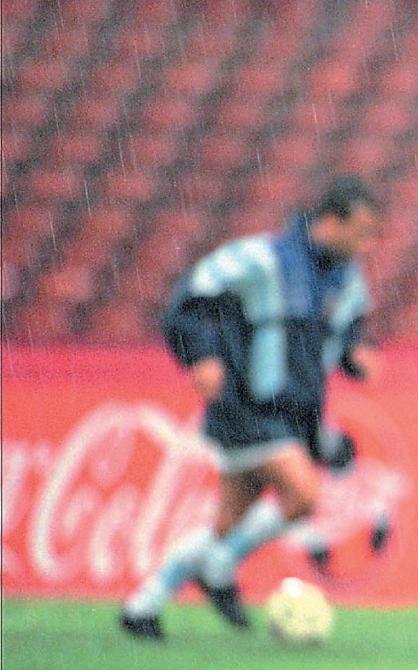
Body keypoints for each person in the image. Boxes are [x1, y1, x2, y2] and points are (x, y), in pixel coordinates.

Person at [120, 175, 383, 641]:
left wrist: (356, 359)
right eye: (362, 231)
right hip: (245, 405)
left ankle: (144, 604)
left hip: (296, 417)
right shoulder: (261, 258)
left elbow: (344, 338)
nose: (366, 244)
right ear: (330, 220)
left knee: (228, 520)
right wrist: (200, 355)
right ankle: (220, 565)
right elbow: (189, 301)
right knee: (303, 495)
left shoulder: (348, 281)